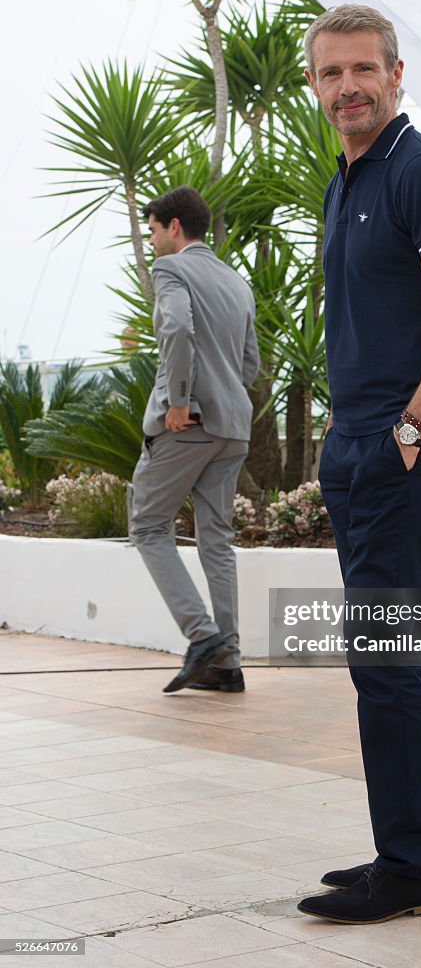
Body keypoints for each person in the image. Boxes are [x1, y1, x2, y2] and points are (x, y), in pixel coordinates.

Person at [296, 5, 421, 925]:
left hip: (403, 443)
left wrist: (403, 436)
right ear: (314, 84)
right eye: (331, 74)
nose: (348, 88)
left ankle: (407, 865)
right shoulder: (347, 177)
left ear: (396, 72)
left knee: (380, 652)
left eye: (362, 71)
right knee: (403, 649)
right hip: (363, 443)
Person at [129, 186, 259, 695]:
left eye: (155, 229)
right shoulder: (236, 282)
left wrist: (179, 400)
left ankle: (201, 634)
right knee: (217, 542)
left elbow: (178, 329)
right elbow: (248, 363)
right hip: (232, 427)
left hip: (189, 424)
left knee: (147, 525)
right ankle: (227, 664)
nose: (153, 239)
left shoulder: (170, 270)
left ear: (175, 226)